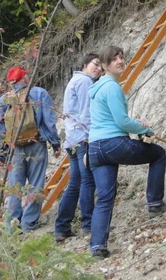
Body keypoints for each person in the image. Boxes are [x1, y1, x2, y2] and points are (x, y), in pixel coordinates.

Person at [88, 46, 166, 258]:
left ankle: (97, 246)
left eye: (121, 57)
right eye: (114, 59)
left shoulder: (95, 90)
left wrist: (136, 127)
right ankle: (155, 203)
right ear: (104, 66)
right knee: (158, 154)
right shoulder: (112, 87)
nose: (120, 61)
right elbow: (121, 121)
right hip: (113, 144)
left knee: (104, 198)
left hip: (95, 148)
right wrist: (144, 129)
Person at [0, 66, 61, 233]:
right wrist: (55, 143)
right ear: (25, 78)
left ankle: (11, 227)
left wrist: (1, 154)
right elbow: (49, 121)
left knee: (15, 187)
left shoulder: (4, 100)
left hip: (15, 149)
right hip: (36, 144)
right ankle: (28, 224)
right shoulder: (38, 93)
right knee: (36, 185)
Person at [54, 54, 102, 241]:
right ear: (84, 64)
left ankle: (62, 226)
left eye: (100, 67)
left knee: (75, 183)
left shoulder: (75, 80)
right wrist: (91, 136)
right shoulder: (84, 82)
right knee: (87, 180)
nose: (98, 69)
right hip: (82, 139)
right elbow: (86, 113)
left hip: (72, 140)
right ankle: (88, 225)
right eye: (95, 64)